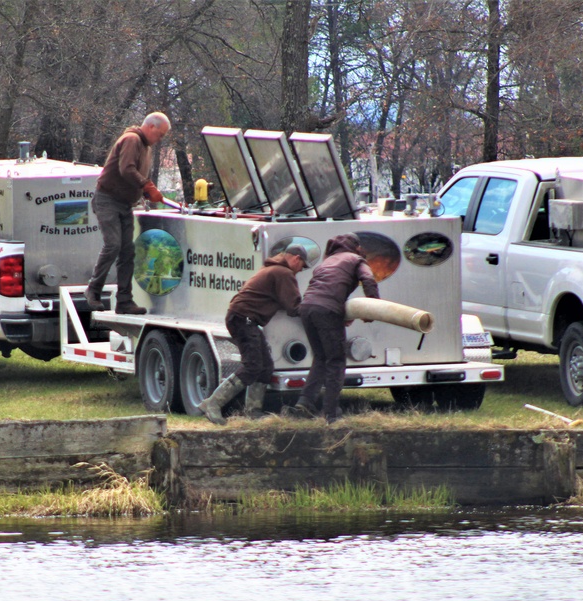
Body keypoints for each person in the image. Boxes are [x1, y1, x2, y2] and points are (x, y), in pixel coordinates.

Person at [198, 244, 310, 425]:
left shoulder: (272, 269)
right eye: (302, 265)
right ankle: (212, 403)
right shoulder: (284, 273)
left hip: (244, 318)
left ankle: (252, 411)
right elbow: (294, 307)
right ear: (297, 259)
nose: (300, 270)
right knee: (252, 365)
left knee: (265, 366)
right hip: (245, 319)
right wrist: (316, 309)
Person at [85, 112, 171, 315]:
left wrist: (145, 192)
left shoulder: (145, 147)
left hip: (124, 204)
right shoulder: (132, 139)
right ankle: (93, 289)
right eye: (160, 134)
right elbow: (127, 169)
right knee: (113, 244)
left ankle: (124, 301)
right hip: (108, 200)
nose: (160, 140)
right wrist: (147, 185)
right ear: (150, 127)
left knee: (127, 252)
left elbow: (135, 177)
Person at [288, 233, 379, 423]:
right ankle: (331, 414)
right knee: (336, 360)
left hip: (307, 308)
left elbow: (329, 288)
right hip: (326, 310)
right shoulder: (356, 259)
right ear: (356, 247)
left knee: (321, 357)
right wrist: (373, 308)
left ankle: (305, 403)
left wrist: (340, 313)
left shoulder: (326, 262)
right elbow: (369, 280)